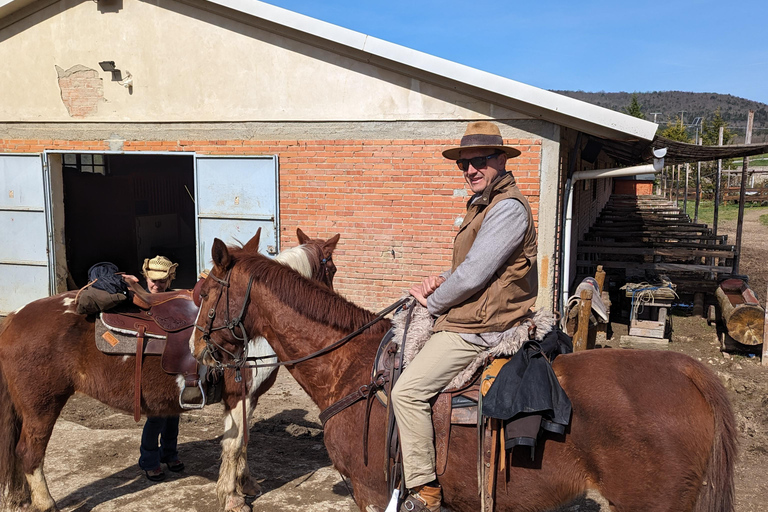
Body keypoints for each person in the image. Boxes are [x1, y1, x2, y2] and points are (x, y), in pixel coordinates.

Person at [391, 121, 538, 511]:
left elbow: (474, 275)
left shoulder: (506, 208)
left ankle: (425, 491)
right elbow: (475, 266)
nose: (471, 170)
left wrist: (433, 304)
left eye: (480, 161)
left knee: (406, 391)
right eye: (464, 164)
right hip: (477, 310)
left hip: (482, 327)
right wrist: (441, 280)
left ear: (502, 160)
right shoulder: (485, 204)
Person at [124, 255, 185, 482]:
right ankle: (149, 460)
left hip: (174, 363)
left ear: (169, 279)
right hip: (152, 364)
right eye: (152, 280)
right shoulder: (140, 297)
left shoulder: (176, 298)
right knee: (157, 415)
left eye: (161, 281)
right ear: (146, 277)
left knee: (174, 413)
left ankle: (169, 453)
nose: (156, 285)